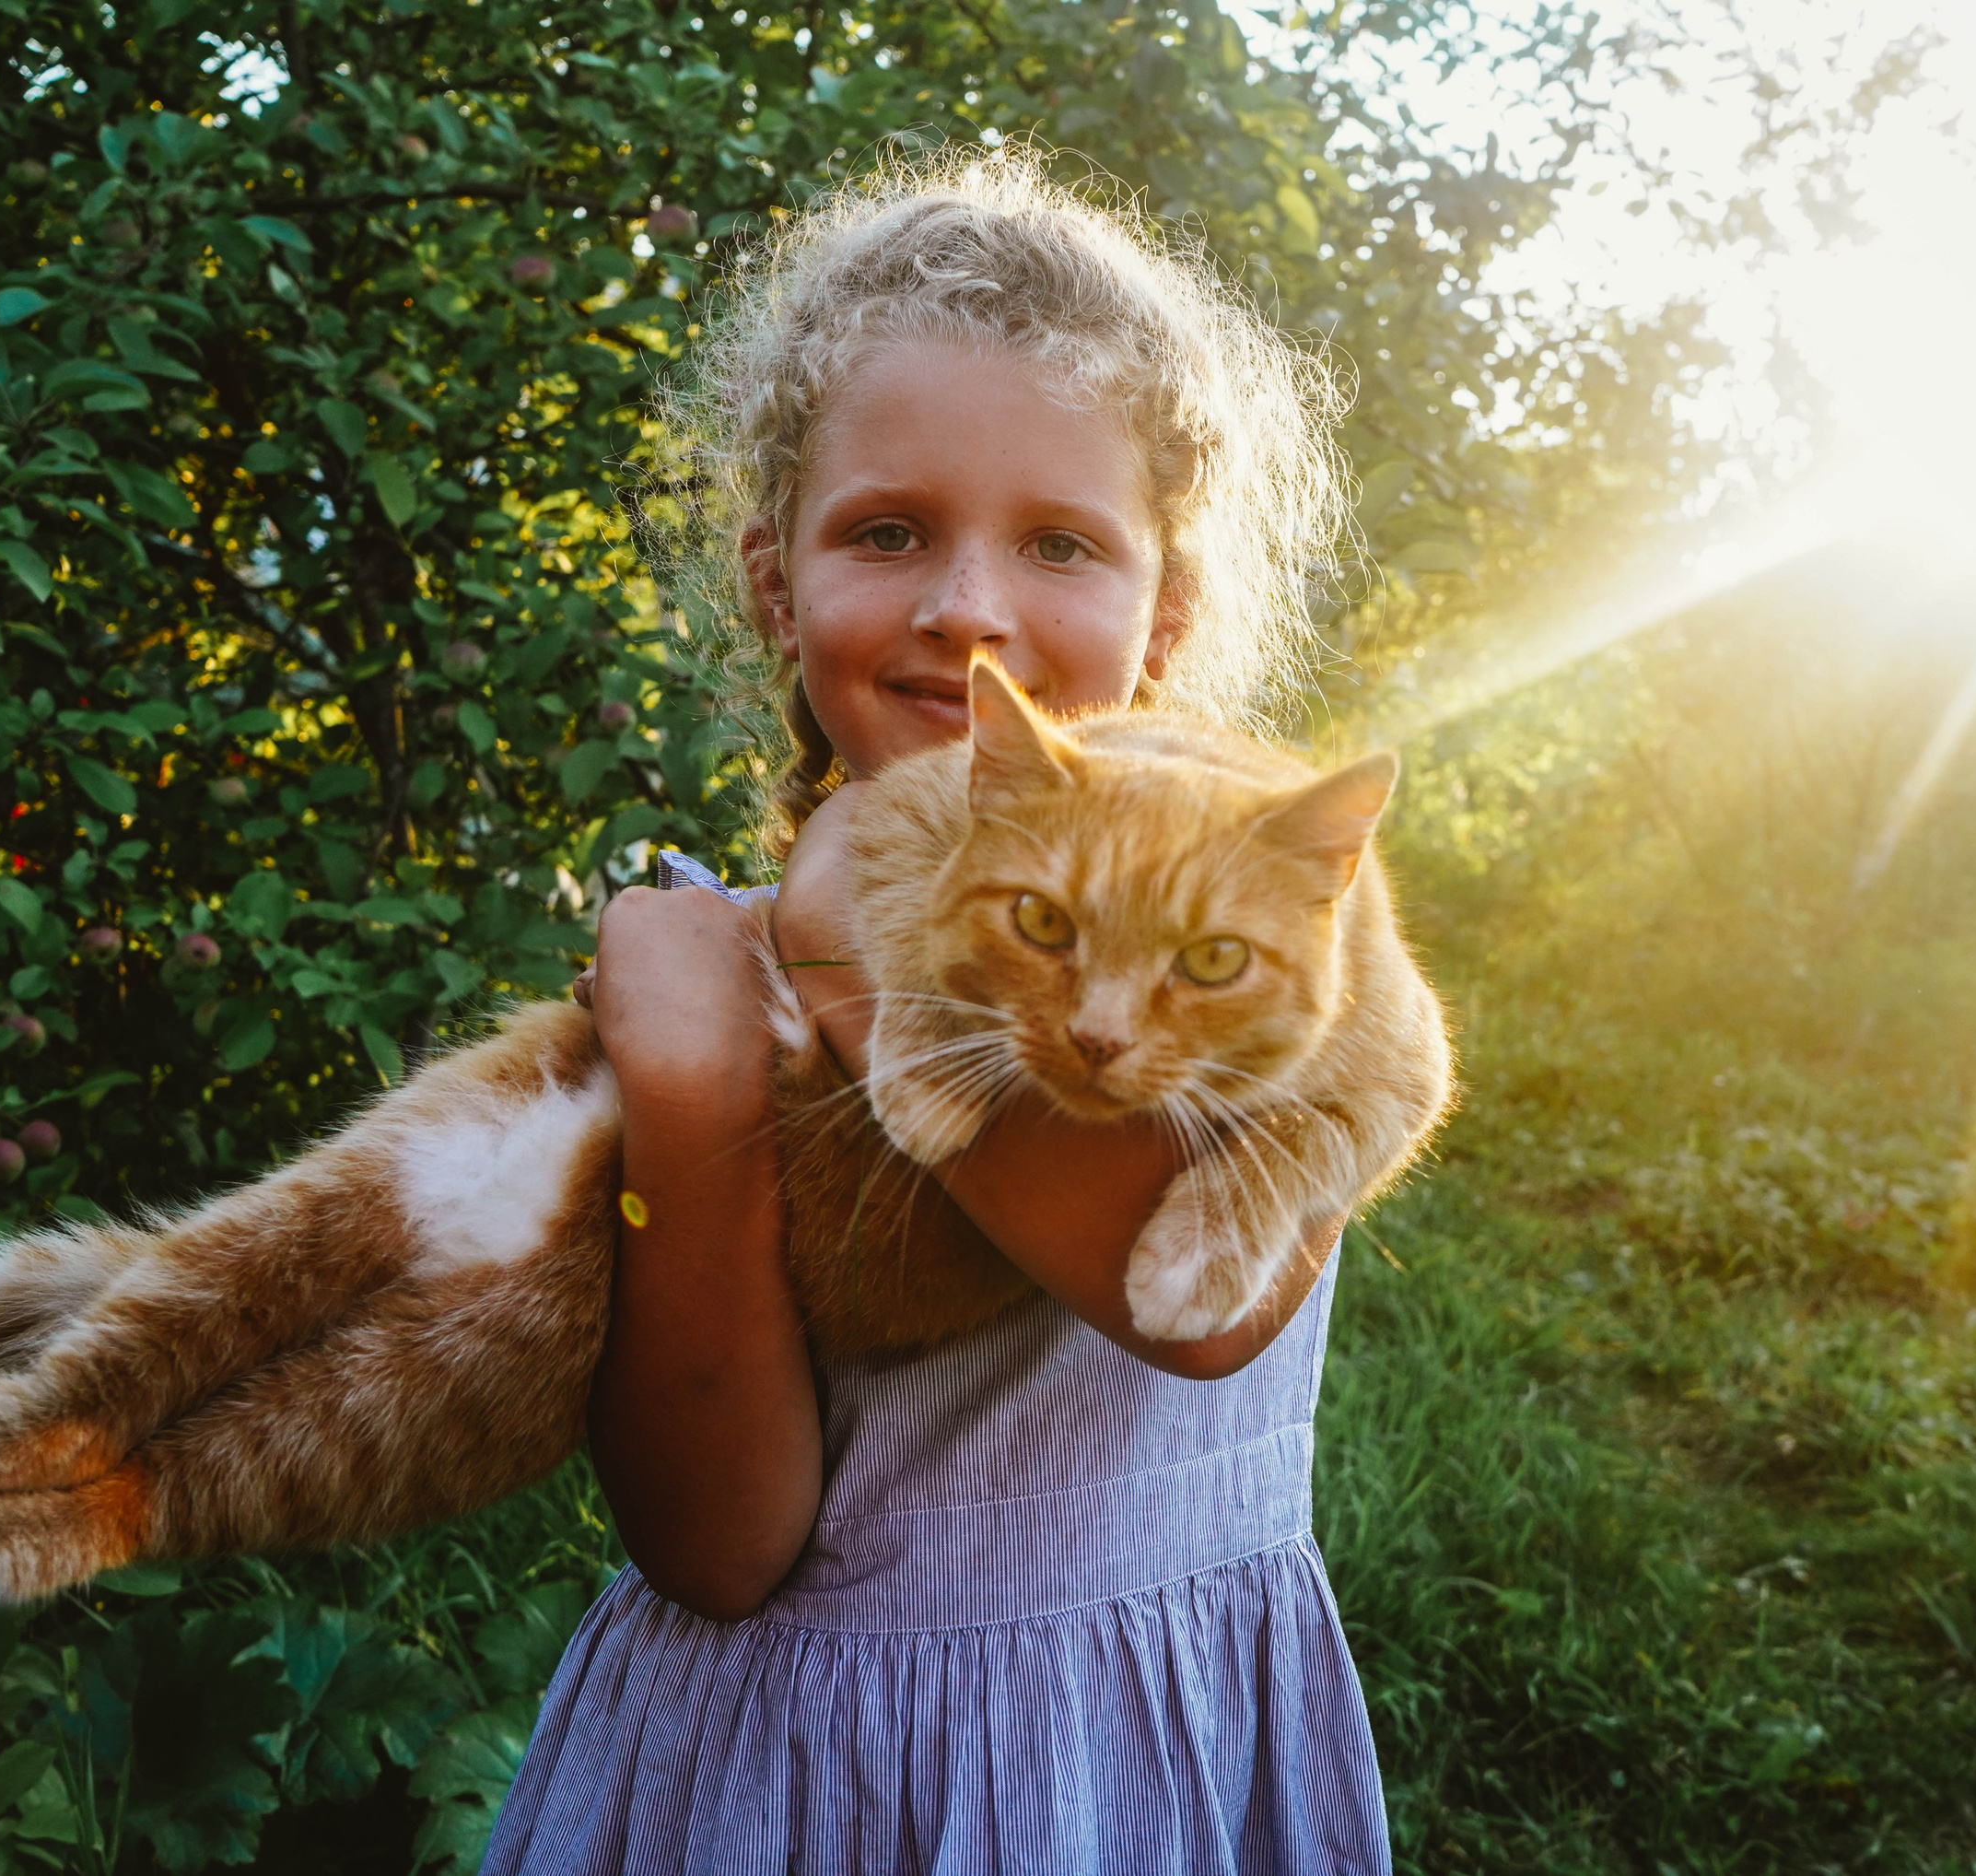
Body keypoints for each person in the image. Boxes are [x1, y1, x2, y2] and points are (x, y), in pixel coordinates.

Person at [485, 149, 1385, 1874]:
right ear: (776, 582)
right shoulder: (693, 967)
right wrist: (688, 1087)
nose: (967, 608)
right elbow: (718, 1544)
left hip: (1125, 1765)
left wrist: (843, 944)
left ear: (1162, 622)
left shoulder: (1260, 944)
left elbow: (1201, 1312)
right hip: (771, 1782)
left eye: (1058, 544)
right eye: (888, 532)